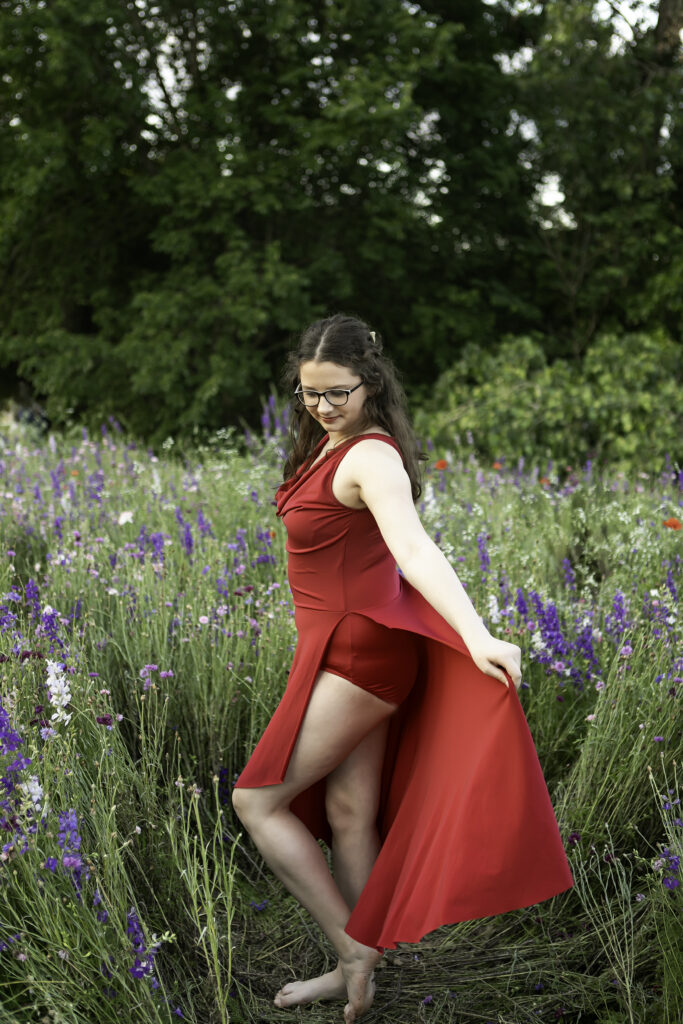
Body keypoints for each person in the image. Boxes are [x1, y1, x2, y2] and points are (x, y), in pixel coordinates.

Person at [232, 314, 574, 1023]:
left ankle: (352, 950)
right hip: (340, 645)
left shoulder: (370, 457)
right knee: (348, 812)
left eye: (337, 393)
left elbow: (414, 551)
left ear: (371, 382)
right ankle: (362, 964)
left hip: (357, 654)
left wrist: (477, 633)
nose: (322, 407)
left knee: (256, 802)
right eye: (308, 393)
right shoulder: (332, 447)